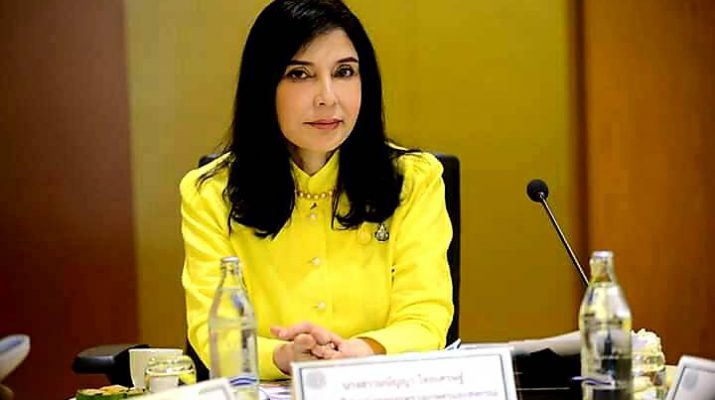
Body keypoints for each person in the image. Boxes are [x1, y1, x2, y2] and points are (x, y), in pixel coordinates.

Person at [180, 0, 453, 380]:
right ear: (264, 86)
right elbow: (215, 336)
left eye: (344, 72)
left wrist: (355, 352)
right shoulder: (211, 192)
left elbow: (426, 318)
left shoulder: (414, 179)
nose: (327, 97)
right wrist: (286, 356)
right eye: (299, 74)